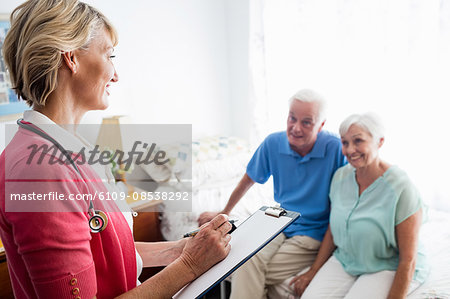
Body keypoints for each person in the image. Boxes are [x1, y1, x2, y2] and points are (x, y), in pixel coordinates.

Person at [0, 0, 232, 298]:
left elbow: (105, 252)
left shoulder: (63, 150)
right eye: (109, 55)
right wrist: (189, 265)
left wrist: (177, 249)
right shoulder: (42, 169)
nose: (116, 74)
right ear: (71, 57)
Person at [198, 89, 347, 298]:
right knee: (245, 259)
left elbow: (342, 208)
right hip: (280, 221)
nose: (295, 128)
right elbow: (248, 179)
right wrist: (224, 213)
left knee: (246, 270)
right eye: (292, 118)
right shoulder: (273, 143)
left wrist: (314, 271)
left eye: (307, 122)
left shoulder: (336, 150)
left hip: (313, 233)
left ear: (321, 125)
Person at [290, 113, 428, 299]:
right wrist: (313, 270)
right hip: (346, 259)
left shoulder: (401, 187)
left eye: (358, 141)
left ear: (379, 142)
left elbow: (408, 259)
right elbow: (334, 228)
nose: (350, 150)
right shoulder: (340, 177)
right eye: (345, 143)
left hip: (385, 265)